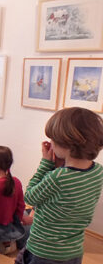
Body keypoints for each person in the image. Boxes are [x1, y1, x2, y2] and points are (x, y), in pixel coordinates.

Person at [15, 107, 103, 264]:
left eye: (53, 140)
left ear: (68, 145)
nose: (51, 143)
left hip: (44, 251)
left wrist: (45, 163)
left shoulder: (58, 177)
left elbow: (29, 196)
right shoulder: (98, 171)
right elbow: (62, 201)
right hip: (73, 250)